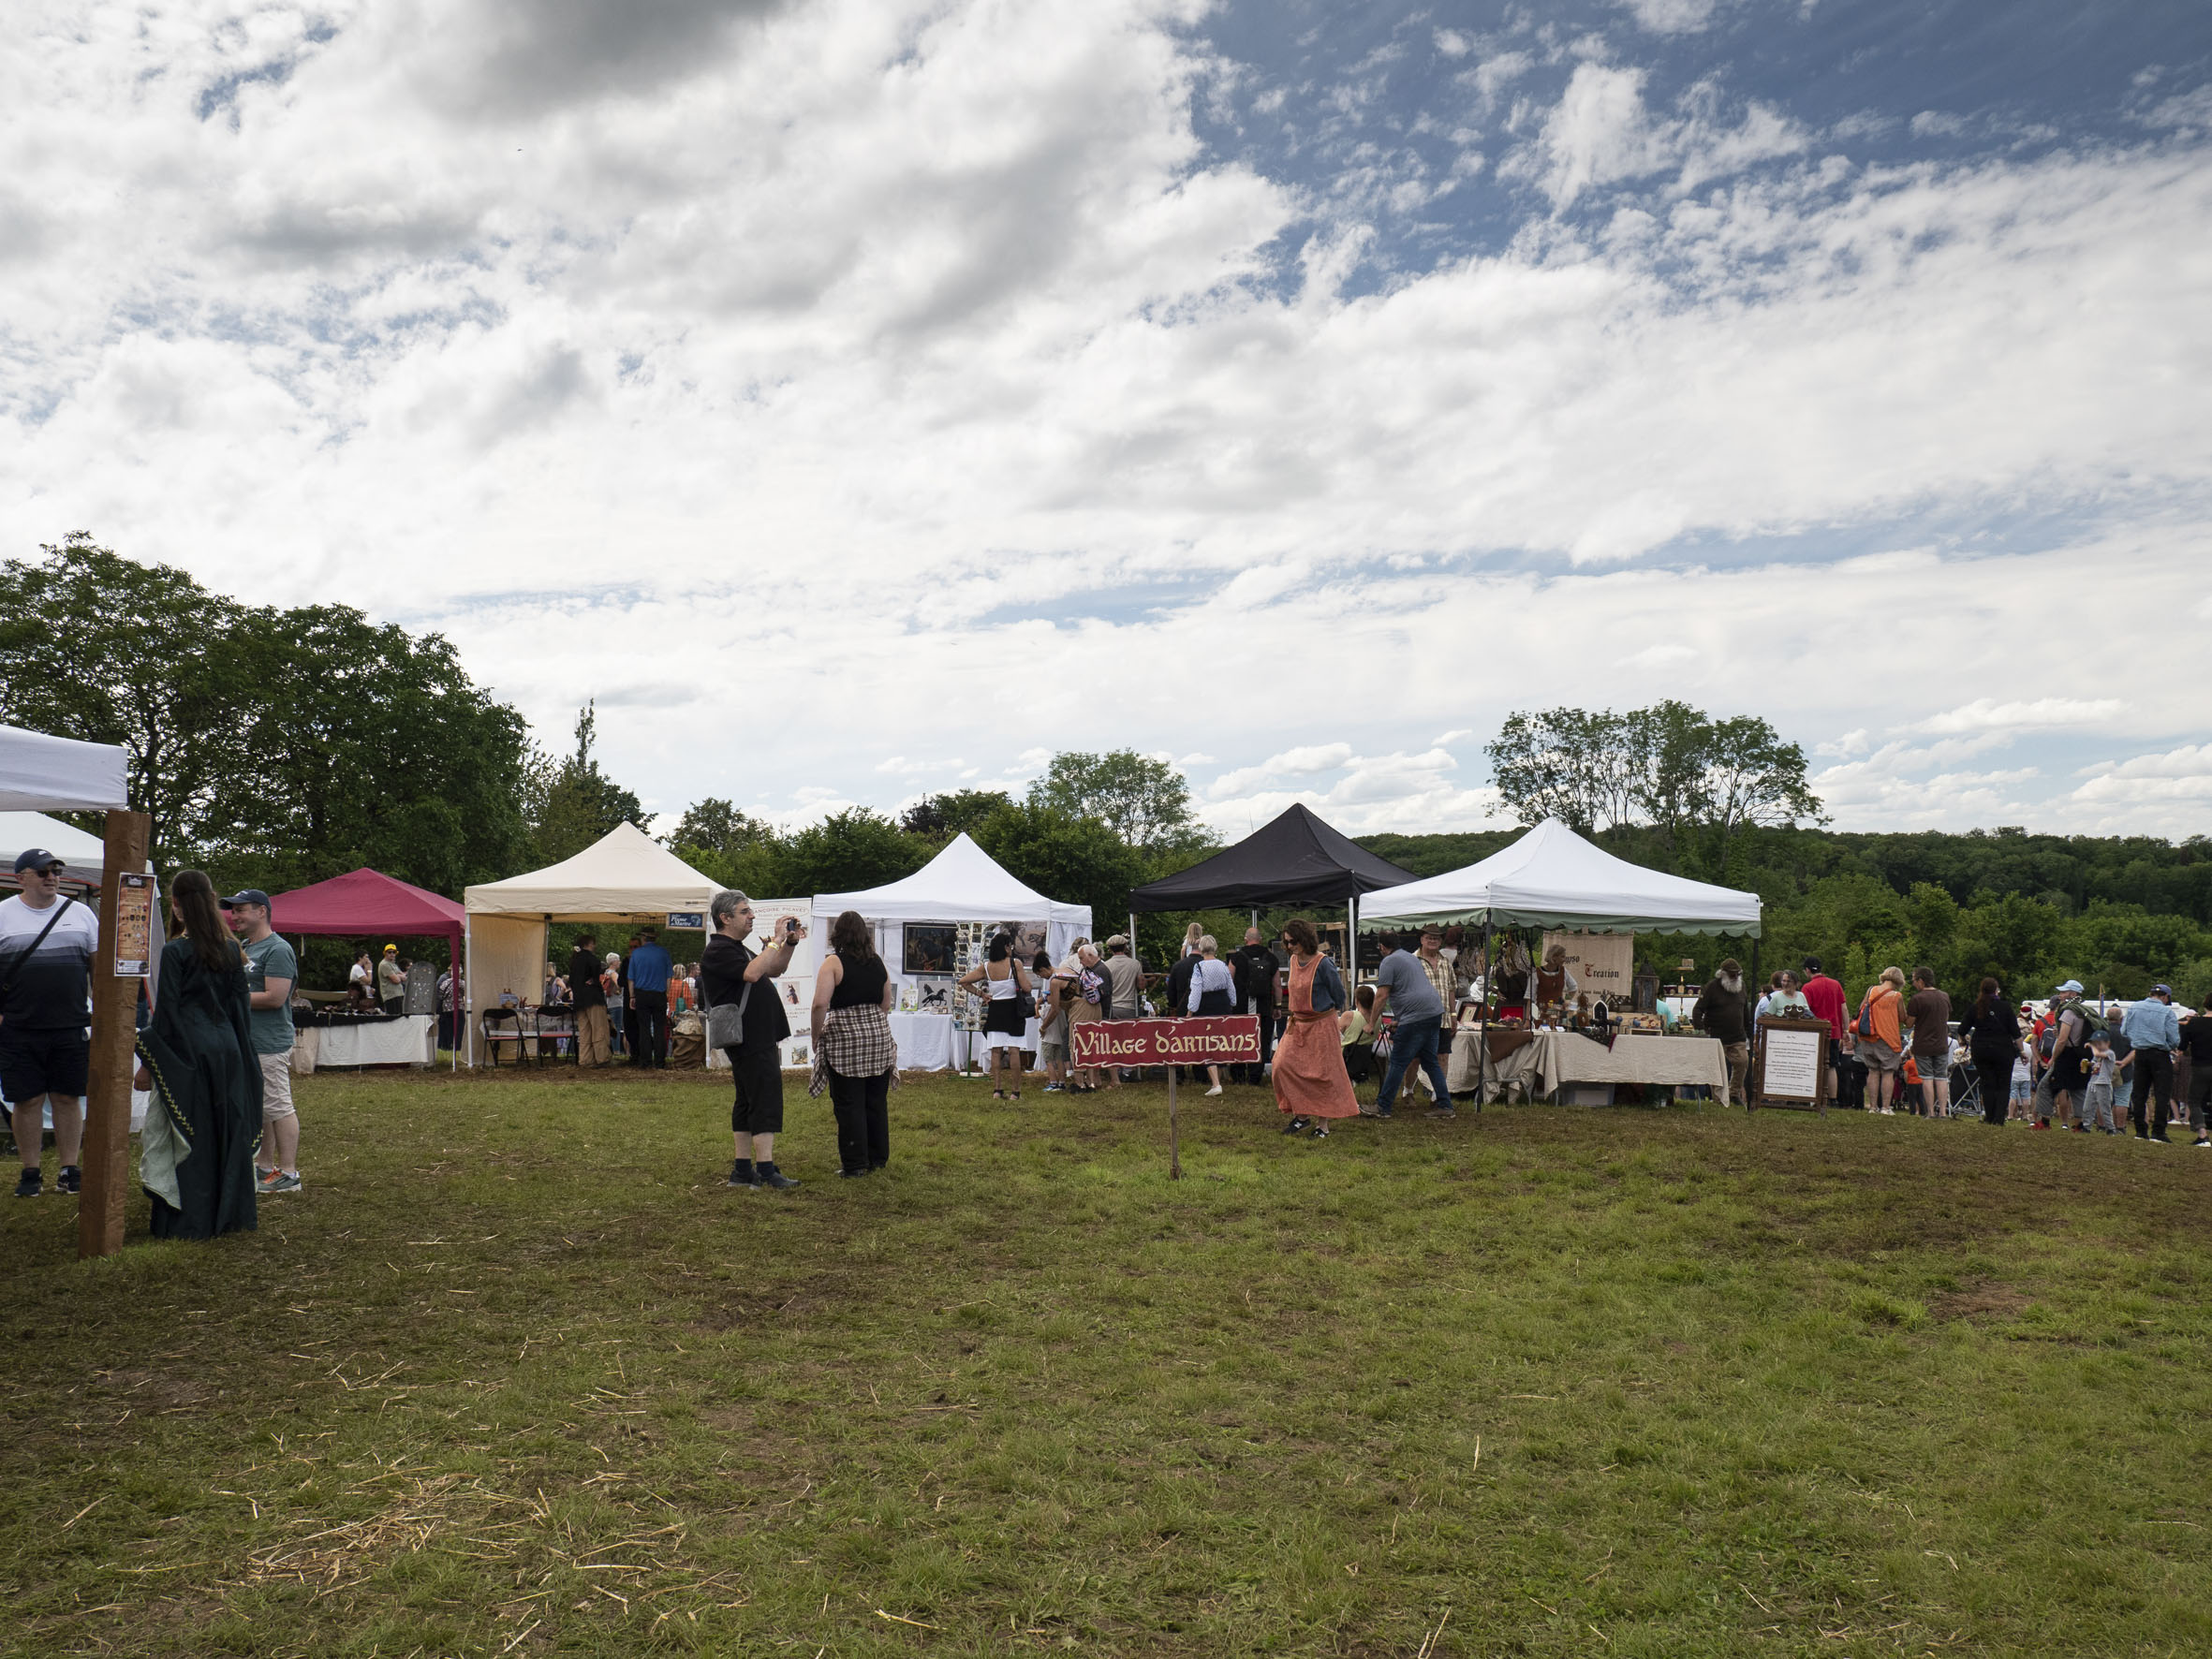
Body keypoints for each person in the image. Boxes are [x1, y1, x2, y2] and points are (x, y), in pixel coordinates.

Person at [132, 870, 260, 1239]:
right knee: (226, 1130)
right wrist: (244, 1056)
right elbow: (241, 1012)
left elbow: (168, 1015)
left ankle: (192, 1220)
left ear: (176, 905)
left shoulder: (175, 953)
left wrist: (147, 1065)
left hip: (192, 1053)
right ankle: (232, 1214)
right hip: (229, 1050)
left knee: (194, 1135)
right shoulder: (231, 949)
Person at [2, 847, 97, 1198]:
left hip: (71, 1025)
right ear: (21, 877)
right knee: (25, 1100)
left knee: (68, 1097)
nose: (52, 877)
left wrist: (102, 1013)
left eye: (56, 871)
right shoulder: (3, 915)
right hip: (19, 1026)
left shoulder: (82, 914)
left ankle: (69, 1168)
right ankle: (30, 1171)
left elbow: (97, 969)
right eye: (43, 872)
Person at [700, 891, 804, 1189]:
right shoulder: (719, 949)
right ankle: (766, 1172)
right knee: (764, 1099)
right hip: (750, 1035)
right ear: (725, 918)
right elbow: (752, 973)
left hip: (753, 1033)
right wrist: (774, 939)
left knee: (748, 1101)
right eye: (745, 912)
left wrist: (789, 943)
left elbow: (775, 968)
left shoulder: (733, 947)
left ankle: (743, 1171)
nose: (751, 916)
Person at [220, 888, 302, 1195]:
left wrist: (230, 998)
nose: (235, 916)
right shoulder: (243, 947)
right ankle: (264, 1166)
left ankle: (290, 1173)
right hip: (247, 1040)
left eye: (241, 910)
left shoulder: (277, 949)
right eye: (233, 910)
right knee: (262, 1107)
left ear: (262, 912)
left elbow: (275, 997)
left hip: (270, 1042)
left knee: (279, 1105)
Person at [808, 910, 899, 1178]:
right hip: (878, 1036)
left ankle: (856, 1163)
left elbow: (820, 1004)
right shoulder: (878, 962)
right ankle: (878, 1158)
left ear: (838, 934)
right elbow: (886, 1003)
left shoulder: (833, 963)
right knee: (875, 1100)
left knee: (849, 1102)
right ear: (865, 934)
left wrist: (816, 1035)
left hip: (845, 1039)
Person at [1274, 917, 1361, 1137]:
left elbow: (1339, 995)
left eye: (1293, 942)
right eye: (1286, 942)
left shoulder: (1323, 963)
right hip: (1298, 1024)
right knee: (1281, 1063)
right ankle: (1302, 1116)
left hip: (1322, 1024)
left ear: (1304, 939)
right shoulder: (1293, 961)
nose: (1289, 946)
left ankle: (1323, 1125)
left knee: (1323, 1074)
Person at [1368, 933, 1453, 1120]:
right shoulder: (1410, 958)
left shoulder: (1389, 962)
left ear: (1382, 947)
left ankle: (1383, 1106)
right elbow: (1414, 988)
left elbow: (1381, 995)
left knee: (1398, 1061)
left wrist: (1370, 1023)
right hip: (1434, 1011)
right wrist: (1401, 1019)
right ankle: (1445, 1106)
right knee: (1431, 1061)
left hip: (1416, 1016)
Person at [959, 932, 1032, 1100]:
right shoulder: (1015, 963)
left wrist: (981, 994)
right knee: (1014, 1051)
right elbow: (1027, 987)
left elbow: (963, 981)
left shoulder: (986, 966)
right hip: (1013, 1009)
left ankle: (997, 1090)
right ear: (1006, 947)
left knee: (995, 1052)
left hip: (996, 1009)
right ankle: (1015, 1091)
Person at [2119, 985, 2181, 1143]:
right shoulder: (2167, 1012)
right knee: (2162, 1094)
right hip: (2160, 1055)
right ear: (2166, 997)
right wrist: (2166, 1046)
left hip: (2140, 1053)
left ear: (2151, 994)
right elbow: (2174, 1039)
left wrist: (2139, 1039)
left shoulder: (2134, 1007)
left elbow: (2124, 1031)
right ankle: (2158, 1132)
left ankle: (2140, 1131)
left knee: (2139, 1093)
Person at [1957, 977, 2022, 1127]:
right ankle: (1999, 1118)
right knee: (2003, 1084)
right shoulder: (2005, 1007)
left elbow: (1962, 1030)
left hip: (1981, 1049)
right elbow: (2015, 1032)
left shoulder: (1976, 1007)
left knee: (1987, 1084)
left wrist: (1964, 1042)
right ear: (1996, 990)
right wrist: (2022, 1051)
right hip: (2003, 1049)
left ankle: (1989, 1116)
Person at [2031, 980, 2091, 1130]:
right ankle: (2079, 1125)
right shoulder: (2083, 1010)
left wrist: (2053, 1058)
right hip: (2081, 1055)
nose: (2061, 995)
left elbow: (2063, 1039)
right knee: (2077, 1089)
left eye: (2064, 992)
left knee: (2044, 1086)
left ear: (2073, 994)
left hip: (2066, 1056)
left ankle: (2044, 1122)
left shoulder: (2069, 1011)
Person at [1694, 959, 1752, 1109]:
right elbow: (1698, 1009)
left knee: (1742, 1062)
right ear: (1723, 974)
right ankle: (1718, 1099)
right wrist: (1701, 1029)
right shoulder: (1712, 987)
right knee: (1718, 1068)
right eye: (1732, 975)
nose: (1735, 978)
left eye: (1737, 975)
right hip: (1716, 1036)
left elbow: (1745, 1010)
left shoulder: (1742, 987)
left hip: (1737, 1036)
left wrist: (1748, 1031)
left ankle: (1733, 1094)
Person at [1183, 934, 1237, 1096]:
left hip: (1206, 1005)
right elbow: (1230, 987)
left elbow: (1196, 990)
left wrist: (1190, 1011)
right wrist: (1232, 1003)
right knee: (1220, 1041)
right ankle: (1217, 1082)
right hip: (1223, 1003)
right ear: (1215, 947)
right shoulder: (1222, 965)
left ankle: (1216, 1084)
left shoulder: (1199, 967)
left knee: (1206, 1042)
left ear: (1200, 949)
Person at [1227, 928, 1278, 1084]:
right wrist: (1277, 1006)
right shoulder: (1271, 957)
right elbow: (1277, 985)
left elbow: (1229, 982)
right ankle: (1255, 1077)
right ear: (1260, 939)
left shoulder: (1236, 957)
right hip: (1263, 1007)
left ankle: (1238, 1075)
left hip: (1240, 1008)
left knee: (1239, 1040)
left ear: (1245, 939)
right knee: (1261, 1041)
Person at [1853, 968, 1907, 1114]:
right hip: (1888, 1038)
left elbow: (1861, 1008)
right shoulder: (1897, 996)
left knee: (1873, 1071)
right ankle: (1885, 1107)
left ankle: (1872, 1107)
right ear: (1899, 980)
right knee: (1888, 1072)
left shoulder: (1871, 990)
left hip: (1868, 1035)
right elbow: (1902, 1018)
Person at [1905, 968, 1953, 1118]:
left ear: (1921, 981)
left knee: (1926, 1077)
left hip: (1923, 1044)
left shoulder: (1917, 999)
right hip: (1941, 1043)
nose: (1913, 983)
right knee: (1941, 1077)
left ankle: (1930, 1112)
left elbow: (1909, 1024)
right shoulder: (1944, 996)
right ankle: (1943, 1112)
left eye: (1914, 980)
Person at [1801, 956, 1847, 1102]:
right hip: (1834, 1031)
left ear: (1807, 970)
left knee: (1813, 1064)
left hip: (1815, 1032)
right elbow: (1844, 1008)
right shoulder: (1835, 984)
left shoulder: (1807, 988)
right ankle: (1832, 1098)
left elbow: (1805, 1011)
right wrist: (1845, 1030)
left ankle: (1814, 1095)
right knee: (1831, 1066)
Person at [627, 927, 673, 1068]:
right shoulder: (663, 953)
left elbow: (631, 979)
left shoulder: (636, 954)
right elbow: (669, 977)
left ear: (643, 938)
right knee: (660, 1028)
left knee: (644, 1028)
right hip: (659, 994)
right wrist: (666, 993)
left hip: (642, 994)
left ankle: (645, 1061)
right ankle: (660, 1062)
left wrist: (632, 996)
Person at [1067, 944, 1110, 1092]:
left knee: (1079, 1044)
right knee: (1090, 1045)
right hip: (1097, 1011)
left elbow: (1104, 994)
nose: (1080, 962)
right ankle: (1091, 1081)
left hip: (1090, 1010)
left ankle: (1081, 1081)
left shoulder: (1099, 970)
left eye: (1082, 958)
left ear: (1091, 956)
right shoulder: (1098, 969)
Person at [568, 933, 612, 1066]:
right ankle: (602, 1057)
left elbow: (571, 980)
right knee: (599, 1028)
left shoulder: (574, 960)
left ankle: (585, 1059)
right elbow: (596, 975)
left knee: (585, 1031)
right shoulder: (592, 959)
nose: (595, 946)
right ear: (588, 944)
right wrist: (594, 982)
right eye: (593, 943)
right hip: (593, 998)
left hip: (579, 1000)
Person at [2180, 991, 2212, 1147]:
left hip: (2200, 1066)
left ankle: (2202, 1135)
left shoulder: (2194, 1023)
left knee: (2194, 1100)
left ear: (2205, 1004)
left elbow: (2182, 1046)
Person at [1338, 983, 1377, 1084]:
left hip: (1345, 1058)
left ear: (1356, 1001)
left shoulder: (1348, 1016)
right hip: (1365, 1058)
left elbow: (1336, 1036)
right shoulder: (1377, 1018)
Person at [376, 944, 405, 1016]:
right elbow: (396, 980)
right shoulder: (384, 964)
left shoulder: (393, 964)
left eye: (394, 952)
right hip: (391, 996)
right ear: (385, 953)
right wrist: (398, 976)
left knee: (400, 1018)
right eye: (389, 952)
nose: (392, 954)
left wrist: (398, 976)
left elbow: (404, 977)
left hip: (398, 994)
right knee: (393, 1019)